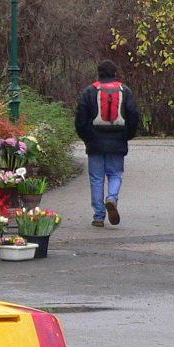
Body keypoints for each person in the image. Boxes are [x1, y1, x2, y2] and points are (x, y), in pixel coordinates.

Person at [75, 60, 140, 227]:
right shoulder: (125, 91)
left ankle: (98, 216)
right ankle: (111, 197)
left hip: (95, 141)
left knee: (96, 178)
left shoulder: (89, 91)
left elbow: (80, 119)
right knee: (115, 174)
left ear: (98, 73)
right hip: (118, 140)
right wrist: (127, 135)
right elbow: (133, 115)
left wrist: (87, 137)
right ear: (115, 73)